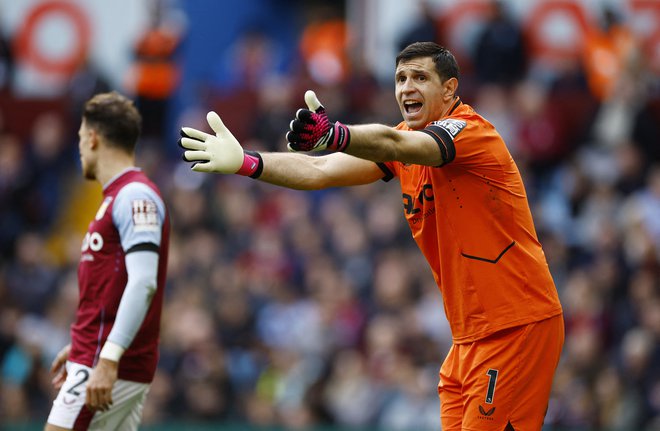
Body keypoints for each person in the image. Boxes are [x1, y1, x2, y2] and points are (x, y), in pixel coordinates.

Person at [179, 41, 564, 431]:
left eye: (420, 78)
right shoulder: (402, 143)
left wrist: (335, 133)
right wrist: (249, 162)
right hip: (469, 337)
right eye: (400, 79)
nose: (407, 88)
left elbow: (395, 143)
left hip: (516, 324)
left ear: (449, 89)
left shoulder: (470, 133)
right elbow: (321, 171)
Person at [45, 92, 170, 430]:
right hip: (99, 356)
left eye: (80, 139)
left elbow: (144, 282)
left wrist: (108, 356)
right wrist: (81, 342)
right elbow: (111, 290)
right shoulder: (117, 197)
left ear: (94, 137)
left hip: (104, 365)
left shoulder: (134, 196)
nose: (80, 149)